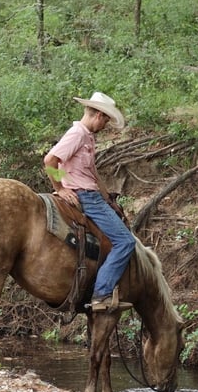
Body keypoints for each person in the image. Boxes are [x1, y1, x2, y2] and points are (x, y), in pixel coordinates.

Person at [43, 92, 135, 312]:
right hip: (86, 197)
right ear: (99, 115)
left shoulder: (86, 136)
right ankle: (102, 293)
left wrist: (107, 198)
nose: (105, 125)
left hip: (93, 195)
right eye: (106, 120)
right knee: (125, 242)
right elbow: (49, 160)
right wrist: (60, 188)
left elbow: (92, 173)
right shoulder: (77, 134)